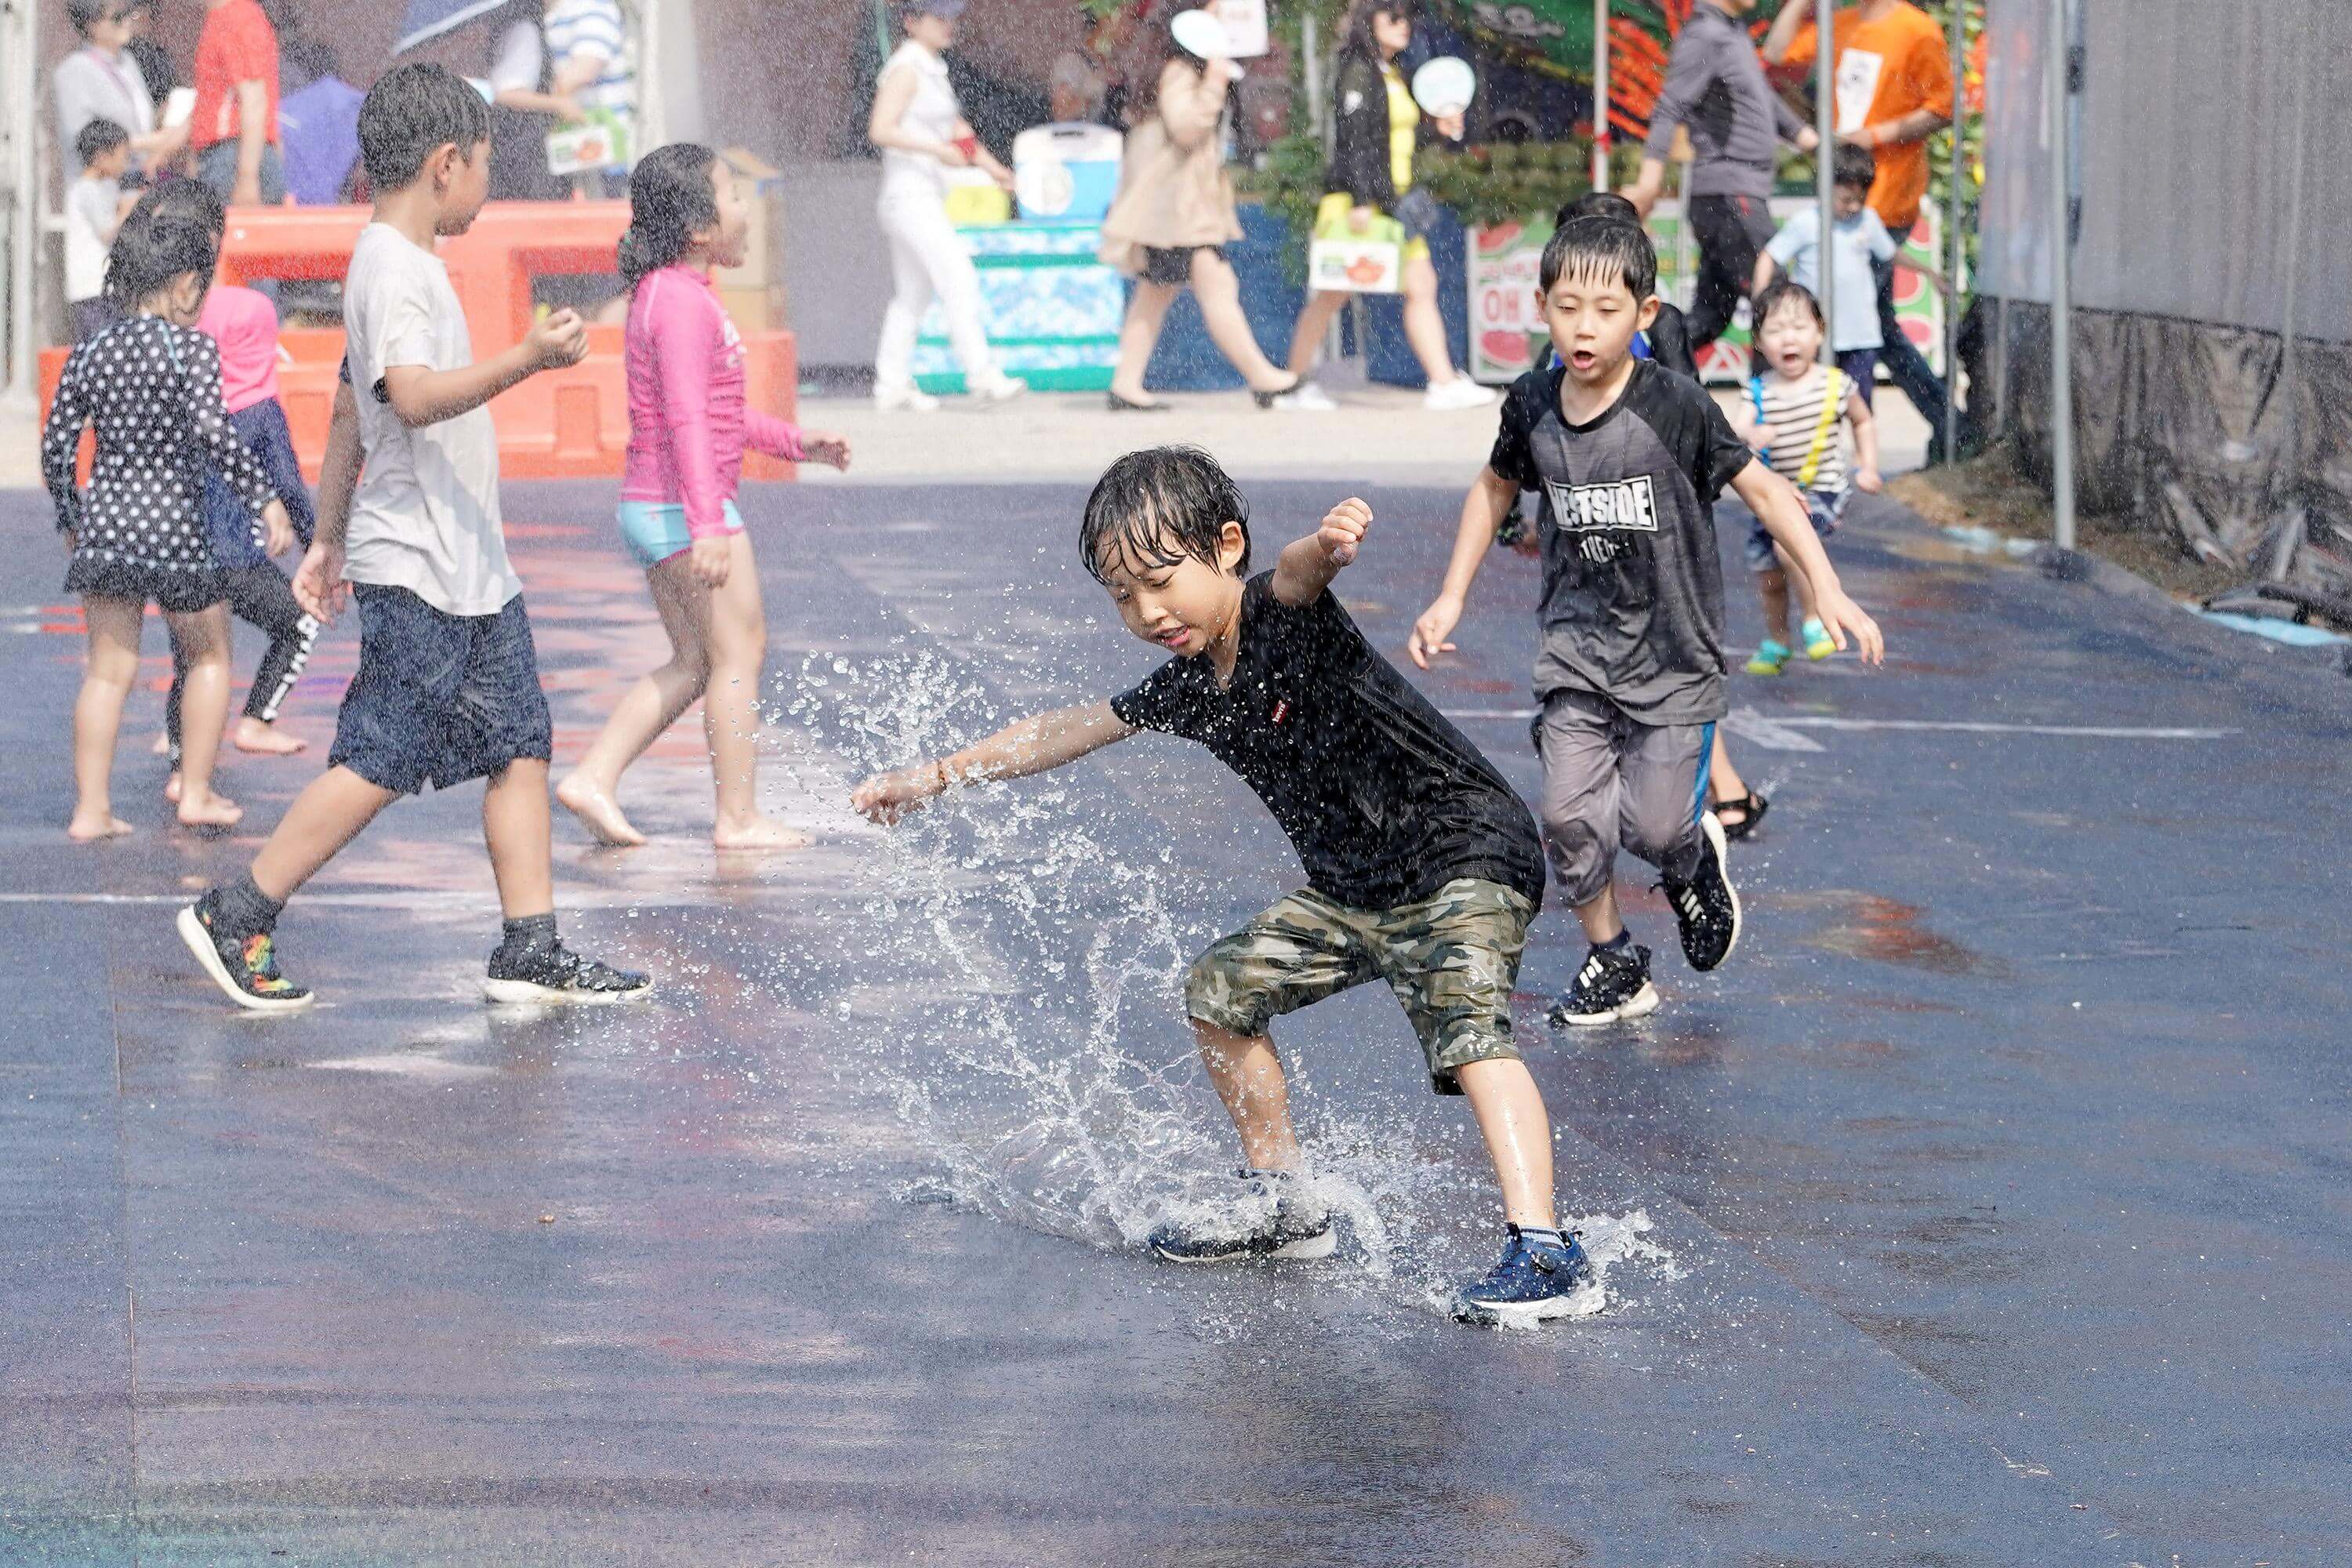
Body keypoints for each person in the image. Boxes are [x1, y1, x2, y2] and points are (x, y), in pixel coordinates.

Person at [854, 447, 1603, 1327]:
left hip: (1461, 850)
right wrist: (937, 773)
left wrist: (1327, 546)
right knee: (1222, 989)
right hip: (1356, 887)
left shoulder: (1283, 617)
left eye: (1163, 580)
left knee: (1468, 1026)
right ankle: (1286, 1205)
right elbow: (1068, 728)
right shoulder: (1187, 687)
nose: (1147, 610)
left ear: (1227, 546)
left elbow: (1294, 573)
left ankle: (1547, 1248)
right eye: (1123, 595)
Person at [176, 63, 653, 1013]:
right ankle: (238, 908)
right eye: (484, 164)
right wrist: (527, 356)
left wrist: (325, 535)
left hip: (466, 561)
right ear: (446, 164)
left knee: (521, 739)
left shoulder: (395, 262)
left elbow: (350, 407)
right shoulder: (394, 267)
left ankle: (530, 946)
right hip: (424, 565)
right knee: (381, 756)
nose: (488, 182)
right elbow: (411, 396)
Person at [1407, 218, 1885, 1025]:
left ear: (1645, 312)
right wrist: (1451, 593)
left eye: (1604, 308)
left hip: (1674, 655)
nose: (1584, 326)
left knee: (1656, 826)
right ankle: (1613, 955)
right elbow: (1494, 488)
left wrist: (1828, 589)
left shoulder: (1675, 406)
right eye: (1567, 308)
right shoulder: (1531, 404)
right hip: (1576, 649)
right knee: (1568, 815)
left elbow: (1766, 491)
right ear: (1543, 310)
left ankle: (1691, 859)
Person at [557, 144, 852, 851]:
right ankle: (739, 818)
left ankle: (594, 777)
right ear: (698, 227)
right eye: (735, 196)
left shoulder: (675, 295)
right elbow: (688, 419)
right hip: (683, 509)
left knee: (696, 660)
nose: (747, 211)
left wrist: (792, 442)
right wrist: (709, 522)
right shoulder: (680, 302)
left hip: (663, 504)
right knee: (737, 653)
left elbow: (714, 413)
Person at [42, 207, 296, 840]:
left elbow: (57, 446)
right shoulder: (191, 351)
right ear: (186, 285)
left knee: (107, 671)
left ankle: (90, 810)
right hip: (179, 533)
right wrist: (264, 499)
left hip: (108, 529)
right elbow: (217, 437)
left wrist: (72, 517)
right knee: (208, 656)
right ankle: (198, 792)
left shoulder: (91, 352)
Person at [132, 180, 318, 781]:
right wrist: (319, 547)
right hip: (235, 552)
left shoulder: (172, 390)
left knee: (191, 650)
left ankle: (177, 742)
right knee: (297, 626)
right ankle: (256, 719)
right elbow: (287, 481)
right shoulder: (258, 408)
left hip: (175, 546)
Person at [1278, 0, 1491, 412]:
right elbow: (1354, 140)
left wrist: (1437, 129)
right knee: (1332, 294)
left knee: (1421, 285)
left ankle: (1443, 381)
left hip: (1392, 203)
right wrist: (1361, 200)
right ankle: (1292, 382)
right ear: (1370, 22)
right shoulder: (1358, 69)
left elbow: (1394, 140)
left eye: (1407, 17)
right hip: (1359, 204)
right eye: (1393, 17)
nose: (1403, 25)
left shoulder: (1390, 71)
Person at [1764, 0, 1958, 453]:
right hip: (1841, 201)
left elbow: (1943, 107)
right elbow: (1775, 56)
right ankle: (1948, 426)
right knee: (1868, 325)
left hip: (1885, 201)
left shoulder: (1917, 29)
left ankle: (1947, 426)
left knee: (1868, 326)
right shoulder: (1839, 22)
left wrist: (1873, 136)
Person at [1098, 11, 1301, 412]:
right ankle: (1261, 377)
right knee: (1207, 289)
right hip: (1178, 213)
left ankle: (1126, 383)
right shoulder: (1180, 71)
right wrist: (1213, 82)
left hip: (1181, 213)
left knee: (1158, 292)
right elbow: (1187, 127)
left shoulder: (1181, 70)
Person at [1624, 0, 1817, 358]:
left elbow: (1760, 95)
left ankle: (1637, 365)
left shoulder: (1732, 31)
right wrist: (1649, 185)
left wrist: (1807, 138)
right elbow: (1669, 108)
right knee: (1776, 304)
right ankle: (1774, 406)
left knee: (1710, 317)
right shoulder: (1704, 35)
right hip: (1729, 193)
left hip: (1730, 194)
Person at [866, 0, 1026, 412]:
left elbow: (958, 130)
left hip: (922, 196)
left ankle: (891, 384)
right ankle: (981, 373)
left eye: (951, 17)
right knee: (958, 275)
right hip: (909, 195)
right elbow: (881, 129)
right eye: (939, 18)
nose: (949, 25)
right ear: (912, 22)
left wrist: (995, 170)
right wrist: (937, 150)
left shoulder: (933, 69)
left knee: (912, 296)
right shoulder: (906, 68)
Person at [1730, 278, 1880, 680]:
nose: (1788, 340)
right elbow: (1735, 431)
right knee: (1768, 577)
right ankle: (1777, 641)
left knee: (1786, 545)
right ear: (1760, 343)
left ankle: (1815, 618)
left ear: (1819, 332)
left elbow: (1863, 422)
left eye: (1798, 328)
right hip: (1772, 497)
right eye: (1775, 331)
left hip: (1822, 490)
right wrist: (1751, 434)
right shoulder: (1758, 391)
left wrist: (1868, 466)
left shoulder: (1835, 384)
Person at [1752, 143, 1900, 402]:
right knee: (1814, 401)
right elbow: (1769, 256)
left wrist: (1929, 274)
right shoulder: (1806, 222)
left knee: (1859, 406)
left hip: (1860, 335)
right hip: (1816, 336)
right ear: (1826, 187)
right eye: (1846, 200)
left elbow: (1891, 253)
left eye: (1860, 200)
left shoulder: (1868, 220)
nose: (1854, 207)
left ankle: (1861, 444)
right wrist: (1760, 300)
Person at [53, 0, 188, 180]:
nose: (126, 21)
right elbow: (85, 142)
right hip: (102, 189)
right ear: (92, 25)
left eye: (127, 13)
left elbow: (136, 122)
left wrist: (167, 120)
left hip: (138, 179)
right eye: (117, 17)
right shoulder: (73, 71)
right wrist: (155, 141)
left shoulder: (126, 62)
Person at [190, 0, 284, 207]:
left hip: (233, 158)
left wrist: (247, 177)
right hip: (234, 156)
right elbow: (211, 102)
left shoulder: (236, 17)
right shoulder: (225, 16)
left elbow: (254, 100)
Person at [483, 0, 576, 201]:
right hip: (523, 153)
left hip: (518, 150)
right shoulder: (525, 29)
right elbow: (505, 93)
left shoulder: (519, 24)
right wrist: (558, 104)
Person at [542, 0, 636, 196]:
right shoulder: (556, 14)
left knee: (608, 207)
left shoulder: (594, 10)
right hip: (577, 140)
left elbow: (585, 69)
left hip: (606, 144)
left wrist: (544, 100)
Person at [64, 119, 136, 344]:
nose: (126, 165)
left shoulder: (105, 186)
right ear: (102, 157)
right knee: (99, 346)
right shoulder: (85, 190)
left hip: (103, 286)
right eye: (123, 157)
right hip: (91, 286)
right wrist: (127, 211)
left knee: (109, 345)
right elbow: (107, 232)